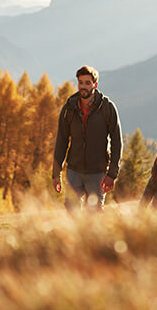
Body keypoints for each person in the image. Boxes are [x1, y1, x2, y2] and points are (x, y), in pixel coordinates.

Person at [52, 65, 122, 210]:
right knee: (71, 211)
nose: (83, 87)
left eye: (87, 83)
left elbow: (117, 142)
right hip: (74, 171)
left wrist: (112, 174)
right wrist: (55, 174)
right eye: (81, 82)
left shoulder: (107, 108)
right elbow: (61, 142)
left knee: (94, 214)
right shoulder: (68, 109)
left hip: (97, 172)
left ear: (95, 85)